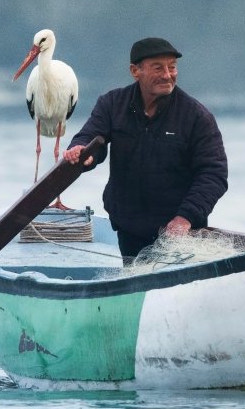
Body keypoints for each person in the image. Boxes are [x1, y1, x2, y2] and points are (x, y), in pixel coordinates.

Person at [63, 37, 228, 261]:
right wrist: (82, 151)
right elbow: (91, 136)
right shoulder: (112, 104)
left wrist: (185, 217)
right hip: (128, 228)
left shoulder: (197, 116)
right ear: (135, 71)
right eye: (158, 68)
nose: (168, 75)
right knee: (135, 279)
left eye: (172, 67)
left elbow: (214, 174)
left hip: (179, 234)